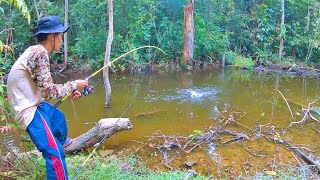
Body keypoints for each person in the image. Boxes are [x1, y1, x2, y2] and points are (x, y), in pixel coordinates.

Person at [7, 15, 88, 179]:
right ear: (52, 36)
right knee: (55, 155)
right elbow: (49, 92)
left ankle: (60, 142)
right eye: (61, 36)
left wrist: (69, 90)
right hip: (28, 111)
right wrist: (73, 85)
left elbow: (43, 86)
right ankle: (57, 150)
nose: (62, 41)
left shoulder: (35, 51)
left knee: (58, 117)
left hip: (34, 104)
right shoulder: (40, 53)